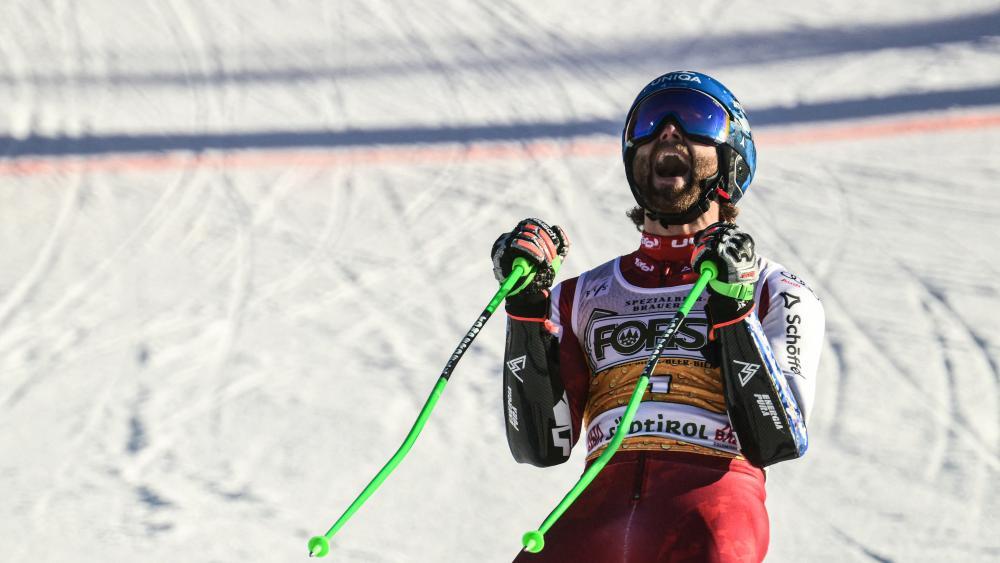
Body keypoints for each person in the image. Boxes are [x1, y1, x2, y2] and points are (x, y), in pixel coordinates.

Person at [490, 71, 825, 562]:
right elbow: (542, 447)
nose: (668, 131)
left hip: (708, 515)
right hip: (592, 514)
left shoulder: (777, 290)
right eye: (649, 123)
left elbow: (777, 440)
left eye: (696, 119)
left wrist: (733, 312)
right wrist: (526, 310)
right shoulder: (578, 294)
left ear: (733, 159)